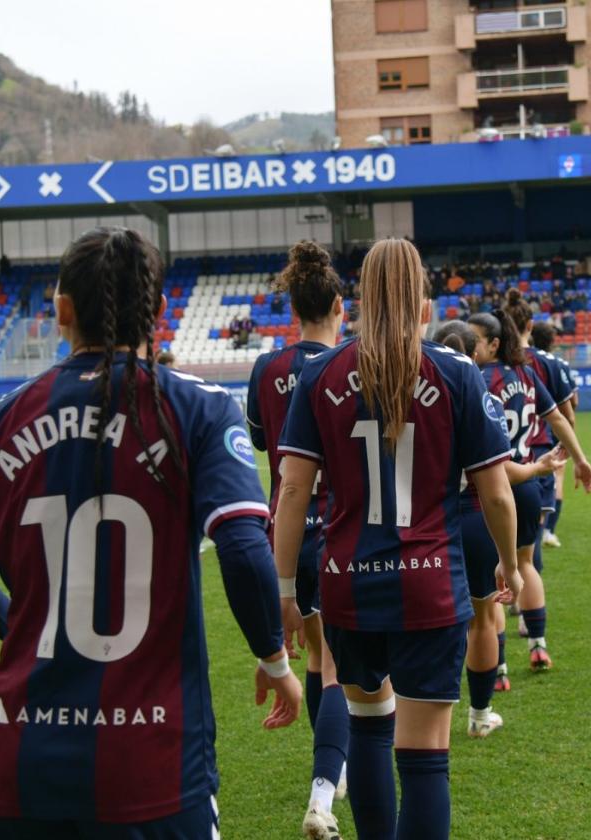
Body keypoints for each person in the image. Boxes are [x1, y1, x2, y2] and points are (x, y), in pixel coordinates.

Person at [0, 226, 301, 838]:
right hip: (151, 755)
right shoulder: (198, 408)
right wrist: (272, 656)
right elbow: (241, 546)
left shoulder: (0, 422)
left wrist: (28, 631)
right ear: (159, 313)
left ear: (62, 312)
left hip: (24, 759)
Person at [274, 238, 520, 840]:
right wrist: (511, 565)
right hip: (430, 587)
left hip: (348, 588)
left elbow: (293, 493)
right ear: (423, 302)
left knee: (368, 729)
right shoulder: (457, 372)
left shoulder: (320, 372)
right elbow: (494, 493)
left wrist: (283, 588)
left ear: (359, 299)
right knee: (425, 754)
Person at [246, 242, 351, 840]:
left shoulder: (266, 368)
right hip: (339, 527)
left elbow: (265, 446)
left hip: (282, 532)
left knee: (315, 651)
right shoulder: (346, 366)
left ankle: (329, 768)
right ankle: (323, 794)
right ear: (339, 305)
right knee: (336, 664)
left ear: (293, 307)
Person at [434, 320, 566, 720]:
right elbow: (497, 476)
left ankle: (416, 714)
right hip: (472, 514)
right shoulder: (481, 398)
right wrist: (535, 470)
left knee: (423, 625)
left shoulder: (413, 398)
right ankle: (480, 713)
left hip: (420, 522)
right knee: (483, 619)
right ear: (475, 354)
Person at [470, 305, 591, 672]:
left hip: (494, 484)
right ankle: (538, 644)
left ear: (492, 344)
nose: (470, 347)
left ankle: (499, 666)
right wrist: (581, 459)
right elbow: (557, 416)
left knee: (489, 580)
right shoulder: (524, 373)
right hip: (528, 479)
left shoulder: (476, 378)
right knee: (525, 562)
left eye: (474, 340)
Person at [530, 322, 577, 548]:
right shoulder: (557, 364)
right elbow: (572, 401)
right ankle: (547, 530)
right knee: (557, 479)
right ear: (552, 342)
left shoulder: (520, 360)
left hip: (524, 429)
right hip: (550, 430)